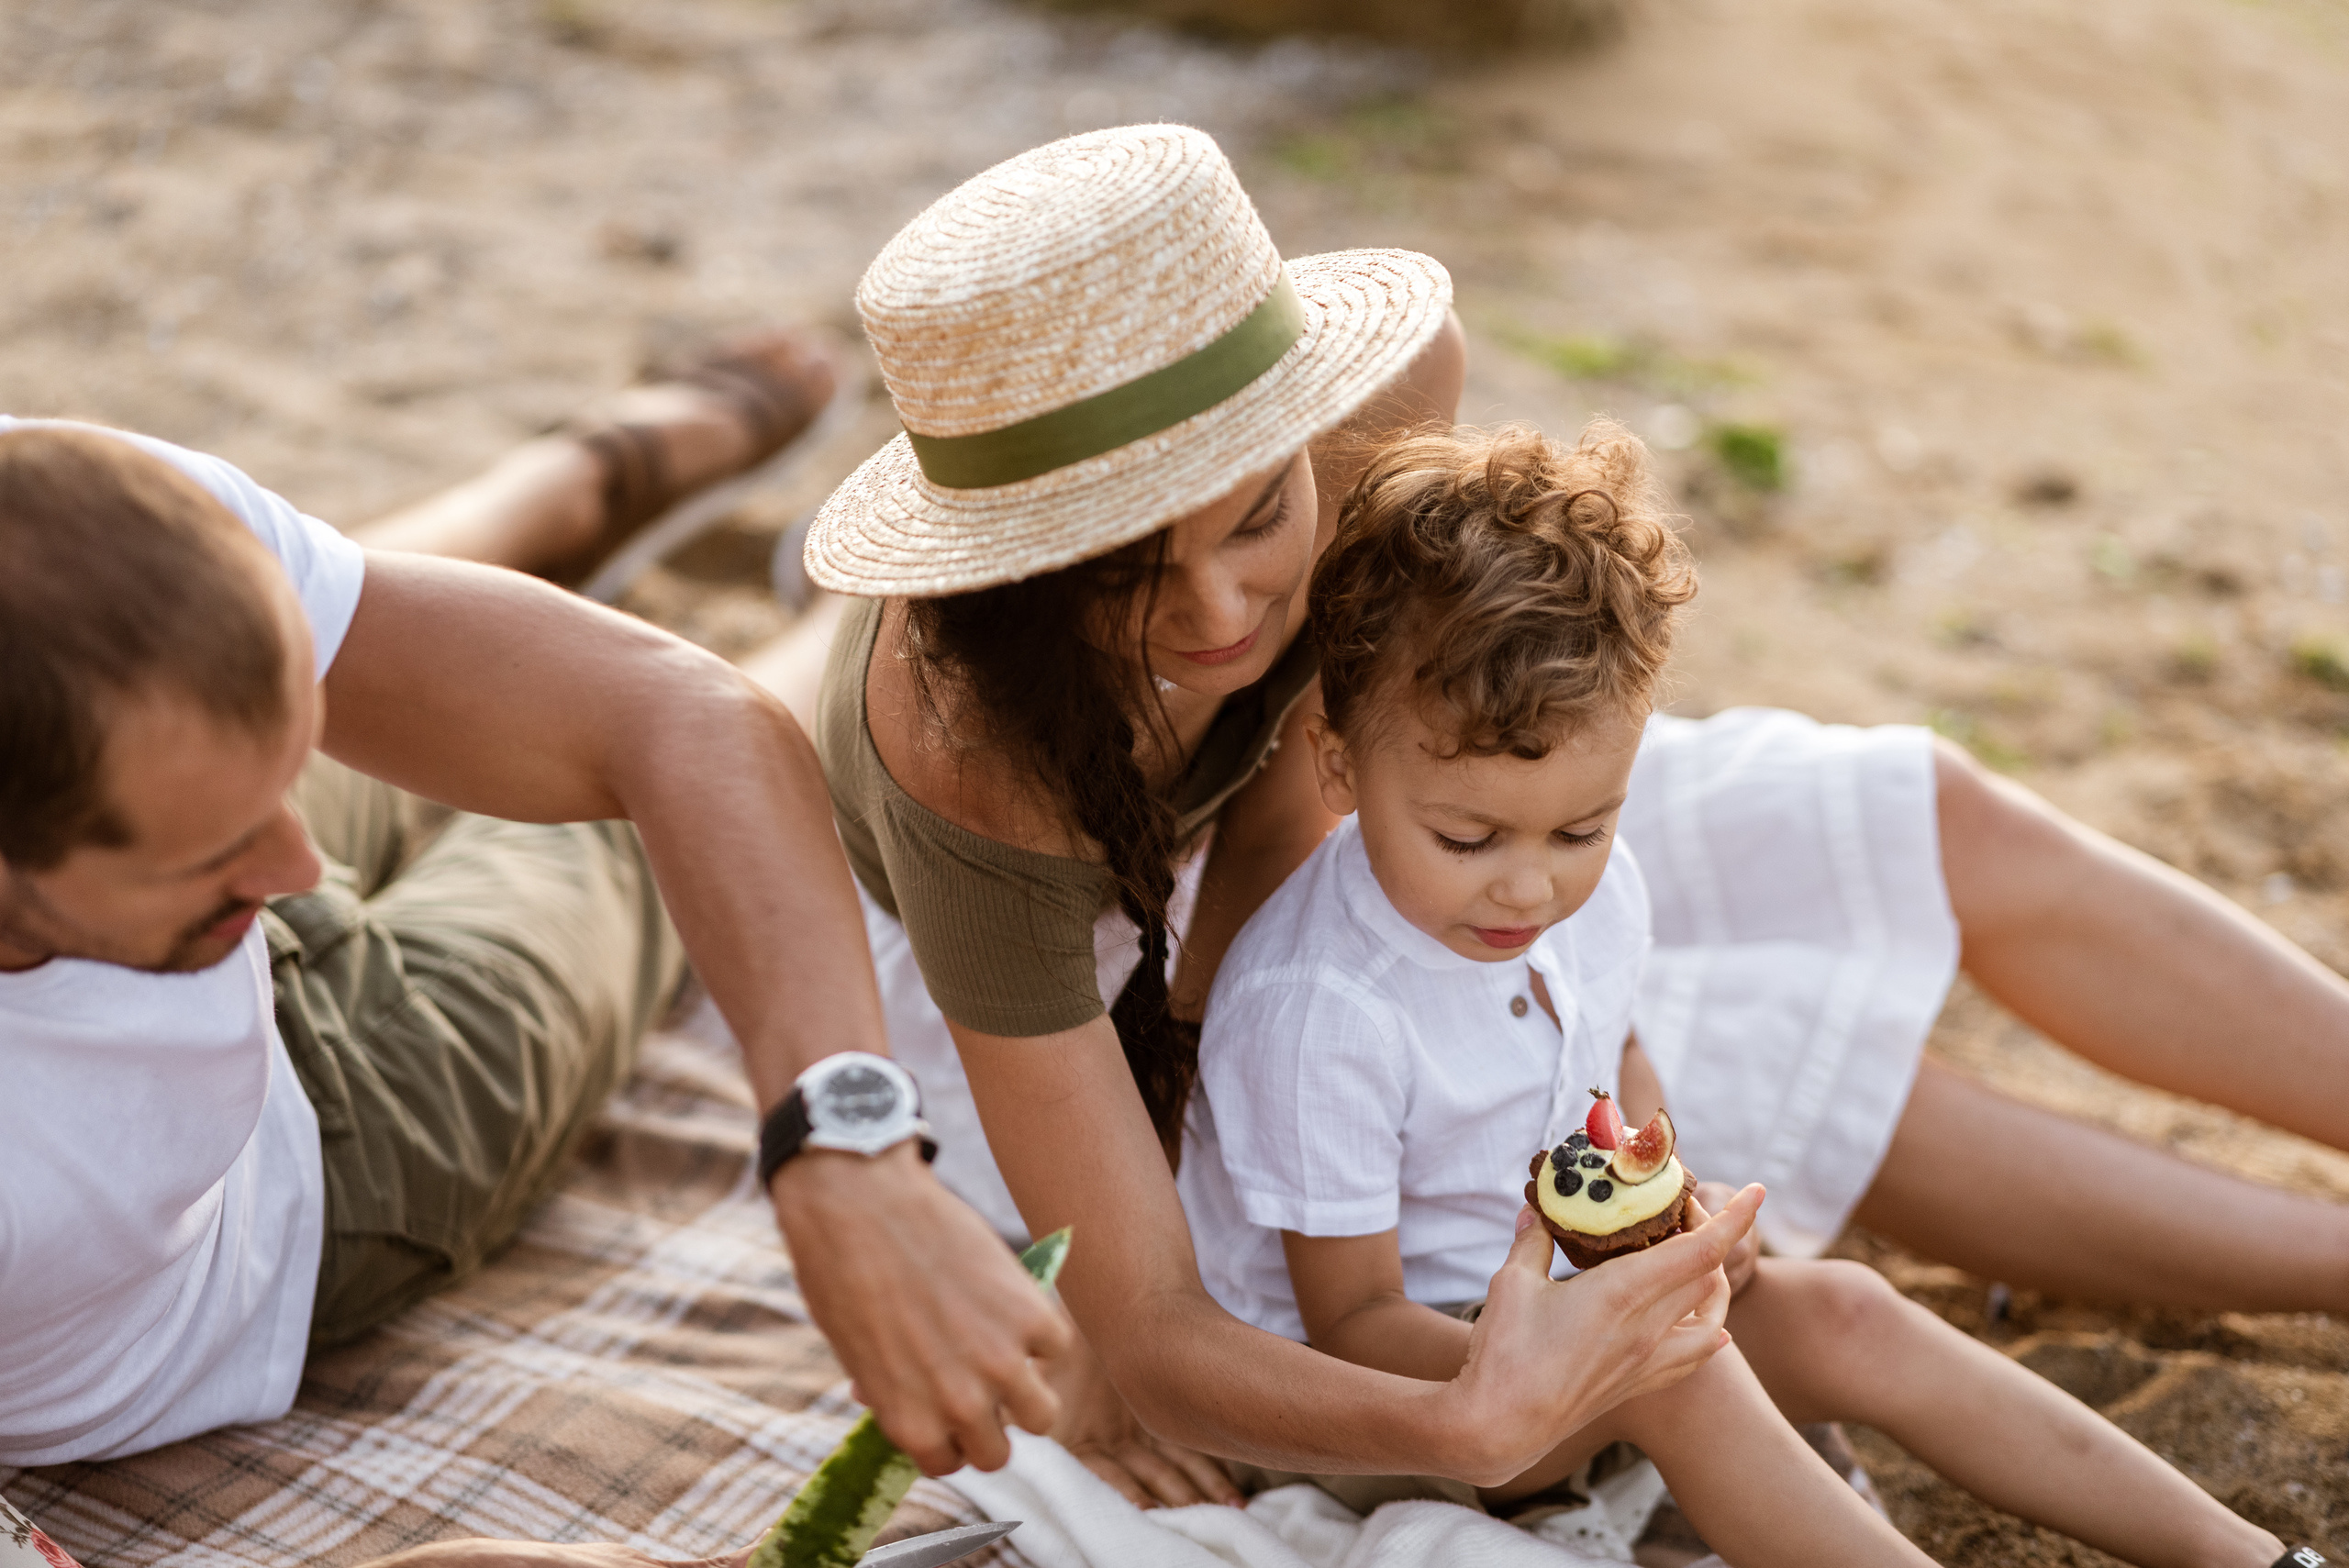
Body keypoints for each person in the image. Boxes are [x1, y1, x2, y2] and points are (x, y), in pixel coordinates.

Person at [737, 120, 2349, 1505]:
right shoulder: (973, 749)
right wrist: (1459, 1406)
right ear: (1025, 571)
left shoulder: (1379, 400)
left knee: (1907, 805)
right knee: (1734, 1046)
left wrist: (1436, 879)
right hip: (1097, 1001)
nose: (1225, 608)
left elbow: (1323, 731)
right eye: (1130, 575)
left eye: (1258, 518)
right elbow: (1157, 1315)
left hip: (1394, 762)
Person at [1180, 419, 2298, 1568]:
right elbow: (1349, 1323)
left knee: (1845, 1310)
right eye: (1465, 835)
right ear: (1336, 762)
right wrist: (1583, 1340)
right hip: (1379, 1401)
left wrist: (1679, 1211)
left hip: (1569, 1308)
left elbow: (1617, 1067)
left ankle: (2252, 1556)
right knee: (1686, 1376)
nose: (1531, 881)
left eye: (1581, 824)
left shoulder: (1593, 892)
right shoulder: (1319, 1007)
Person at [0, 333, 1072, 1476]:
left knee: (292, 661)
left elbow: (672, 715)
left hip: (140, 823)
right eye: (215, 851)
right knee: (623, 861)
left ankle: (577, 484)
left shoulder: (54, 514)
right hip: (288, 1184)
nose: (299, 865)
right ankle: (847, 620)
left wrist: (843, 1140)